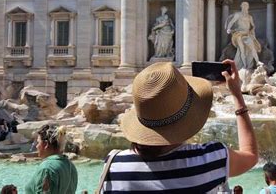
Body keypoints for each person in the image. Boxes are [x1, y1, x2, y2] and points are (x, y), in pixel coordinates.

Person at [98, 60, 258, 192]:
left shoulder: (114, 165)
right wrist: (237, 95)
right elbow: (250, 155)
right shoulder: (210, 160)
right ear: (188, 116)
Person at [25, 124, 78, 193]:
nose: (37, 146)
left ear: (46, 144)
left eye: (38, 142)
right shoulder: (70, 166)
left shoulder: (47, 168)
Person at [225, 2, 262, 70]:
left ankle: (258, 62)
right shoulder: (238, 15)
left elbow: (253, 26)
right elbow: (232, 22)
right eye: (244, 5)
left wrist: (253, 33)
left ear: (248, 7)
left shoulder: (249, 17)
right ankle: (245, 66)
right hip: (239, 34)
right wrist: (228, 28)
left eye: (246, 5)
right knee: (241, 50)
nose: (245, 7)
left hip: (247, 34)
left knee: (252, 48)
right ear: (241, 6)